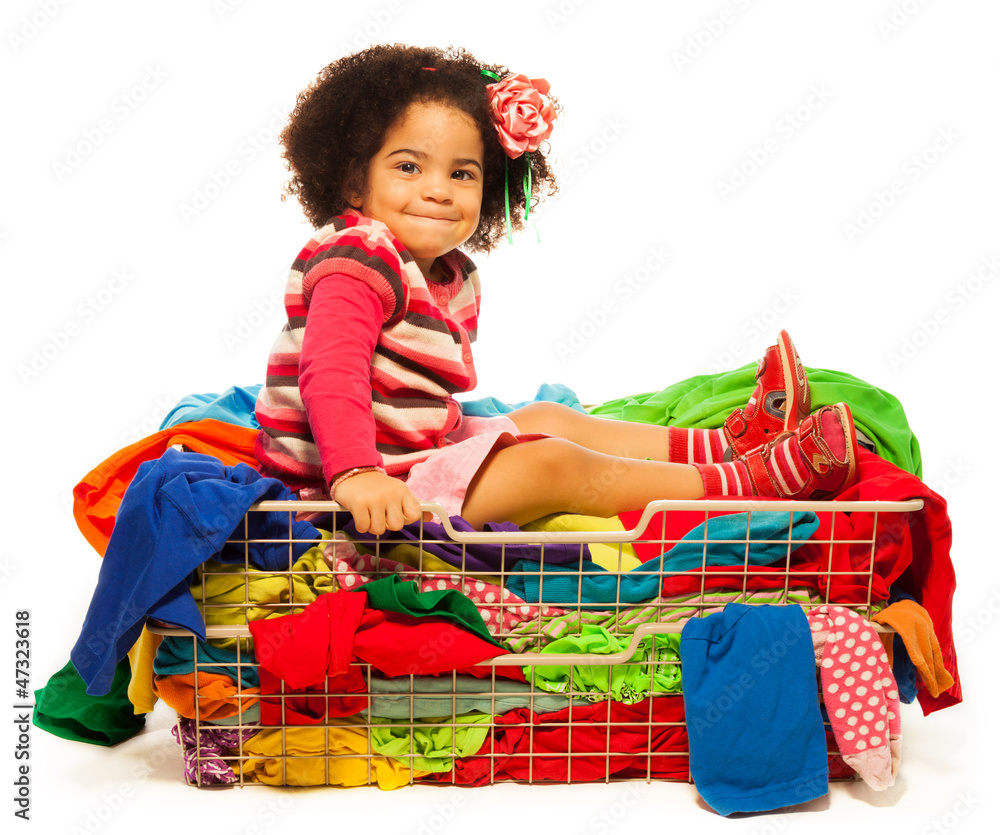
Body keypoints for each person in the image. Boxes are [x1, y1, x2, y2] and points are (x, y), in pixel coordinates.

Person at [254, 44, 859, 535]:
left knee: (544, 416)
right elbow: (331, 371)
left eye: (461, 173)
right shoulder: (355, 255)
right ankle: (748, 483)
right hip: (351, 496)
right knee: (551, 463)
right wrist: (357, 473)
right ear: (354, 181)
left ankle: (724, 444)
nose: (438, 190)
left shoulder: (450, 274)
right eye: (408, 167)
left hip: (411, 457)